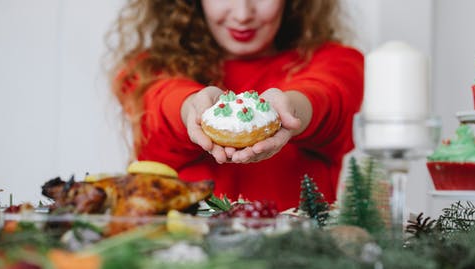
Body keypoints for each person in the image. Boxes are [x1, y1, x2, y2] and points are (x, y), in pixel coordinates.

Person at [107, 0, 364, 210]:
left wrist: (289, 110)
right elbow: (162, 100)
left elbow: (326, 96)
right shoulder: (145, 72)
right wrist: (192, 109)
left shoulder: (339, 62)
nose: (242, 14)